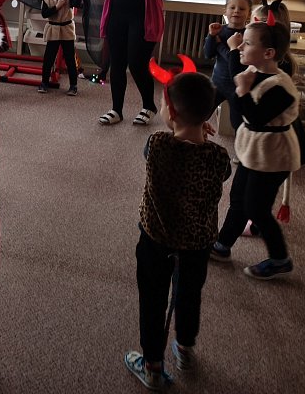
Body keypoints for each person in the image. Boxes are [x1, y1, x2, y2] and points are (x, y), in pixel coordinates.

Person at [124, 70, 231, 390]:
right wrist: (201, 135)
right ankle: (184, 346)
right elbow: (224, 173)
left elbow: (157, 151)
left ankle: (153, 366)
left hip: (156, 239)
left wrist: (186, 130)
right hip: (197, 243)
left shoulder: (157, 145)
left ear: (170, 112)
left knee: (153, 300)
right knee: (189, 294)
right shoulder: (218, 156)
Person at [211, 20, 300, 280]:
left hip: (274, 156)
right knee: (239, 199)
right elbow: (238, 79)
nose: (240, 46)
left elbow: (256, 116)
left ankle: (280, 259)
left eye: (247, 43)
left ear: (268, 53)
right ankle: (222, 245)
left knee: (256, 208)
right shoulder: (253, 69)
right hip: (254, 150)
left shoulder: (281, 87)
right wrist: (233, 56)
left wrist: (241, 90)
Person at [203, 0, 253, 130]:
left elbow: (235, 59)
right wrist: (211, 36)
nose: (236, 11)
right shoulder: (219, 30)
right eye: (232, 7)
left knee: (237, 123)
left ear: (249, 14)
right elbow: (208, 54)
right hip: (217, 82)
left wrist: (220, 45)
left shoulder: (248, 35)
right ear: (225, 11)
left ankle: (240, 143)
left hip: (237, 86)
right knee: (201, 113)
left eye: (242, 9)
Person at [38, 0, 82, 95]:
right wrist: (57, 7)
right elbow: (45, 14)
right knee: (49, 58)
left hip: (67, 29)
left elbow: (78, 4)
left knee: (69, 58)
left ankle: (73, 85)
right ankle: (44, 82)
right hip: (53, 29)